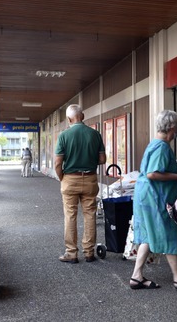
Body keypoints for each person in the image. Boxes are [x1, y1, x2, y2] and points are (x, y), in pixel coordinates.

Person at [129, 110, 177, 291]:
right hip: (155, 197)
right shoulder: (162, 147)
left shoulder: (154, 144)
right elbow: (153, 173)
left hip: (145, 196)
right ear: (172, 128)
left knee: (149, 234)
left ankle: (137, 276)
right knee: (167, 232)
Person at [54, 104, 106, 263]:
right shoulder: (95, 134)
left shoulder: (64, 135)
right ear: (82, 116)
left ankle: (71, 253)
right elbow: (103, 159)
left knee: (70, 215)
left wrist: (62, 177)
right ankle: (89, 252)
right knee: (90, 215)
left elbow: (57, 162)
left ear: (69, 119)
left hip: (70, 178)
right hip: (90, 178)